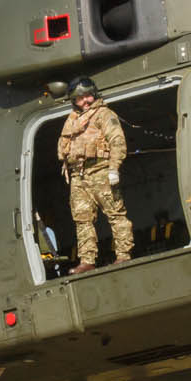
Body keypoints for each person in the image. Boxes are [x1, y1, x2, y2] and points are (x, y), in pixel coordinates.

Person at [57, 77, 132, 272]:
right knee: (82, 220)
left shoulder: (104, 114)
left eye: (88, 95)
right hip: (78, 176)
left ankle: (123, 254)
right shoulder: (72, 120)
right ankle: (87, 260)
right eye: (80, 98)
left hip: (101, 171)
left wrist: (114, 168)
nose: (86, 101)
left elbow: (117, 141)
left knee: (115, 214)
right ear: (74, 100)